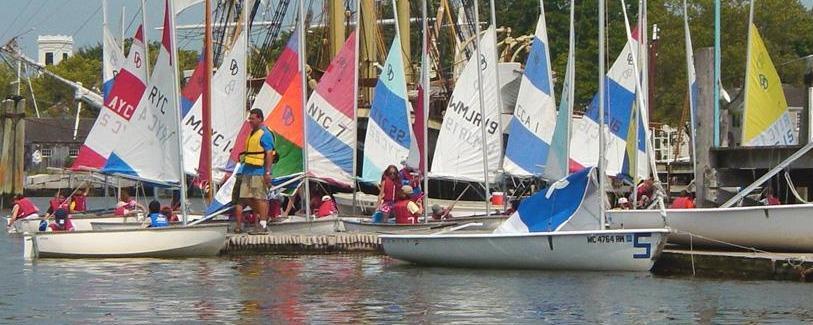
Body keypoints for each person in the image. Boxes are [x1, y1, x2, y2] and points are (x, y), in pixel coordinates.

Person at [233, 108, 276, 233]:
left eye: (252, 118)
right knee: (245, 197)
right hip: (247, 170)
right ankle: (261, 217)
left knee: (259, 198)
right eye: (249, 118)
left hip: (259, 171)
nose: (250, 121)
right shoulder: (252, 133)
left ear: (259, 119)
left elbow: (269, 154)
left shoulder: (265, 134)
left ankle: (262, 224)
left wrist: (267, 172)